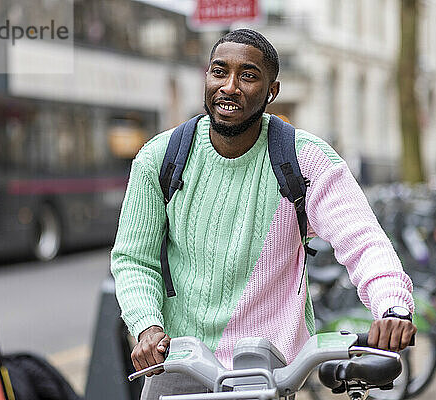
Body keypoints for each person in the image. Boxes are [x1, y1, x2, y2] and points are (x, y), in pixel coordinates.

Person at [111, 29, 416, 399]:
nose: (229, 86)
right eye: (219, 71)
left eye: (249, 75)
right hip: (179, 362)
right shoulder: (160, 157)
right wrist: (147, 326)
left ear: (272, 91)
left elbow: (363, 241)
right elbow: (133, 259)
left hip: (264, 368)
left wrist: (393, 306)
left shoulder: (303, 159)